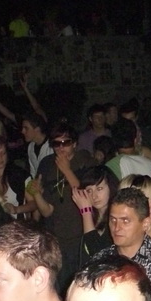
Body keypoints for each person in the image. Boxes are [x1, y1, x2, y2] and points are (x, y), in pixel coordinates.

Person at [30, 121, 95, 291]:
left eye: (65, 143)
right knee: (59, 285)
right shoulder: (47, 164)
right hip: (56, 237)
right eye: (56, 143)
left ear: (74, 143)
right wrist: (36, 194)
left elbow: (88, 196)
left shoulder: (85, 160)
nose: (60, 148)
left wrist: (67, 170)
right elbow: (47, 211)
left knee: (82, 284)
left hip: (80, 235)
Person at [72, 165, 120, 264]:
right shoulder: (91, 217)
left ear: (111, 187)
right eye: (89, 191)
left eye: (99, 189)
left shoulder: (116, 219)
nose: (94, 196)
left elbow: (97, 253)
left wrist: (86, 211)